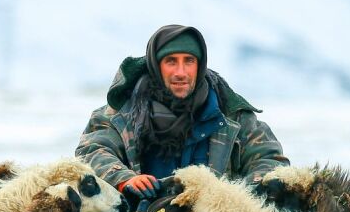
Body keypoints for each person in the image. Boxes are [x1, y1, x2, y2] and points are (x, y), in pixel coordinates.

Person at [75, 24, 288, 199]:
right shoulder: (119, 114)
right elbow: (92, 149)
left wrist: (236, 198)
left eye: (189, 61)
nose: (181, 72)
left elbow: (270, 161)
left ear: (200, 64)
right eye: (171, 61)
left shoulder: (232, 116)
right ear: (156, 66)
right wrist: (123, 179)